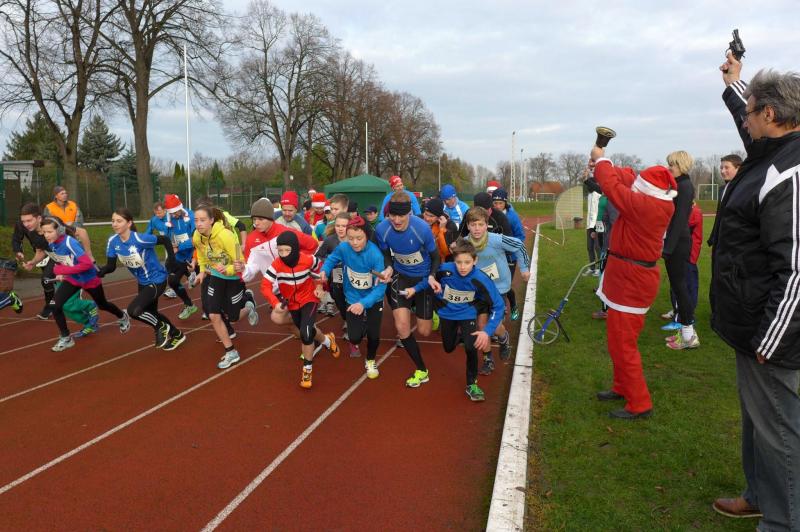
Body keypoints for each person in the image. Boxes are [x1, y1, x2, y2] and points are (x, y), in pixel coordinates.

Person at [709, 55, 800, 528]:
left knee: (780, 430)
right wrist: (734, 85)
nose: (743, 121)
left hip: (772, 333)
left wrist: (771, 338)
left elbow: (797, 269)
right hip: (751, 323)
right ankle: (760, 495)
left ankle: (784, 522)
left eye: (749, 112)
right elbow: (751, 128)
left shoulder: (790, 171)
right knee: (758, 420)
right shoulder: (772, 153)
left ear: (770, 114)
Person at [590, 147, 675, 420]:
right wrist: (602, 166)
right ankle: (621, 386)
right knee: (616, 340)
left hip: (632, 281)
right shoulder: (652, 198)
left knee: (623, 345)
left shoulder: (646, 206)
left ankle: (640, 403)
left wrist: (601, 160)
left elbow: (614, 187)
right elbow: (627, 178)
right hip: (626, 276)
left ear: (647, 190)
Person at [374, 191, 440, 388]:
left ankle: (431, 312)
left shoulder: (422, 228)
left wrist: (432, 275)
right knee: (402, 327)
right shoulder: (382, 229)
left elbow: (435, 257)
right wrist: (388, 267)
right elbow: (386, 254)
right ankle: (421, 370)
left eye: (401, 216)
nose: (396, 220)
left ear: (409, 213)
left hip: (423, 278)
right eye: (392, 215)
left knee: (424, 331)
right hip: (401, 277)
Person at [97, 208, 186, 350]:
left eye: (119, 221)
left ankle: (160, 326)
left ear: (129, 223)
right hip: (142, 282)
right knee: (152, 313)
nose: (115, 224)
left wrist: (172, 260)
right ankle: (177, 334)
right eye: (113, 221)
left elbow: (165, 240)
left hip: (157, 279)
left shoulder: (140, 239)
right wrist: (101, 272)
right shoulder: (113, 241)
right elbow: (111, 266)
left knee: (134, 310)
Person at [39, 216, 130, 351]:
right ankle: (66, 338)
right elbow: (64, 261)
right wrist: (61, 272)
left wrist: (63, 270)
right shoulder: (52, 244)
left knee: (102, 304)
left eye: (49, 232)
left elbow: (87, 264)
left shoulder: (70, 242)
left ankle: (122, 316)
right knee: (54, 306)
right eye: (44, 232)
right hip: (73, 279)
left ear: (60, 230)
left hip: (89, 279)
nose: (46, 235)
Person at [264, 231, 340, 388]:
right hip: (291, 303)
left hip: (309, 299)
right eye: (280, 250)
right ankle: (327, 340)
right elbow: (265, 285)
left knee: (305, 334)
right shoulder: (276, 264)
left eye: (287, 250)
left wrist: (319, 286)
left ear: (295, 248)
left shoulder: (308, 259)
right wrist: (274, 302)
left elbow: (320, 271)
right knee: (307, 330)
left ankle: (307, 371)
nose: (284, 254)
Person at [432, 239, 506, 401]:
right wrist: (432, 286)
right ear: (454, 260)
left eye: (467, 262)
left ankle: (471, 384)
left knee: (470, 348)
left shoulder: (481, 279)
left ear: (475, 261)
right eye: (459, 262)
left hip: (468, 314)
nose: (463, 267)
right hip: (447, 314)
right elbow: (430, 279)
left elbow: (499, 305)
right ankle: (463, 337)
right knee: (448, 347)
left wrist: (486, 332)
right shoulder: (444, 270)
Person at [463, 206, 530, 374]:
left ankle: (503, 338)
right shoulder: (464, 243)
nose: (477, 228)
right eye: (473, 225)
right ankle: (488, 359)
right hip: (479, 289)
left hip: (499, 287)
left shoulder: (497, 240)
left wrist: (524, 269)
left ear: (487, 225)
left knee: (494, 326)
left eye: (480, 224)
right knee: (482, 324)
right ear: (468, 226)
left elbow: (519, 246)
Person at [192, 206, 258, 369]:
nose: (198, 224)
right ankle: (231, 351)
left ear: (211, 220)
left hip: (233, 278)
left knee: (233, 317)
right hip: (216, 276)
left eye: (202, 220)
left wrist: (228, 269)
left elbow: (241, 263)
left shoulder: (226, 236)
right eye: (196, 220)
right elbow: (201, 254)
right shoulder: (197, 236)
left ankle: (249, 304)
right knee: (213, 314)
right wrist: (202, 271)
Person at [319, 215, 386, 369]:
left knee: (373, 335)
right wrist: (325, 270)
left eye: (359, 238)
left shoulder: (375, 255)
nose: (354, 242)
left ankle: (370, 360)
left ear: (367, 236)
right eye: (350, 238)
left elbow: (380, 287)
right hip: (353, 296)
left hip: (373, 298)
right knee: (354, 338)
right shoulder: (344, 248)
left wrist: (363, 304)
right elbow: (332, 258)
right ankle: (362, 325)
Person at [662, 150, 698, 350]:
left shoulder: (684, 186)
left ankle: (689, 336)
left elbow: (679, 220)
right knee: (678, 287)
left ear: (681, 165)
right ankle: (686, 332)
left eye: (672, 164)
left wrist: (668, 248)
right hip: (675, 242)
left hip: (678, 243)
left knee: (680, 287)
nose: (669, 168)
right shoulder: (678, 184)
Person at [664, 202, 703, 337]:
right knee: (680, 286)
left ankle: (682, 319)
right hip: (683, 254)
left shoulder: (693, 212)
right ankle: (680, 314)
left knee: (683, 288)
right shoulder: (689, 210)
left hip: (687, 256)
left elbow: (680, 226)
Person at [14, 203, 57, 319]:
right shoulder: (31, 231)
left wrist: (88, 255)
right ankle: (51, 306)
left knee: (49, 279)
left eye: (29, 220)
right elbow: (40, 250)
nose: (26, 224)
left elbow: (80, 232)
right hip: (49, 254)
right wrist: (31, 261)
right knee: (47, 280)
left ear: (39, 218)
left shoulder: (53, 223)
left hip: (66, 254)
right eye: (23, 221)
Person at [491, 188, 528, 320]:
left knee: (505, 285)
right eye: (495, 203)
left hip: (509, 257)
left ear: (505, 203)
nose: (497, 206)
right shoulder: (490, 215)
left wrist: (508, 247)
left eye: (500, 203)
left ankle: (512, 305)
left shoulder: (512, 217)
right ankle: (499, 307)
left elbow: (521, 236)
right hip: (494, 257)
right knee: (493, 283)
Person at [162, 194, 199, 320]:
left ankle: (215, 307)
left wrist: (179, 246)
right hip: (180, 257)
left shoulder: (192, 216)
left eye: (175, 212)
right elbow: (168, 236)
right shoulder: (169, 219)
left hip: (195, 256)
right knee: (172, 281)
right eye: (171, 213)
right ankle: (189, 305)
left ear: (180, 208)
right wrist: (170, 243)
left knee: (207, 283)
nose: (173, 215)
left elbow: (195, 239)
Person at [42, 186, 94, 262]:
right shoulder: (49, 208)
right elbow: (48, 224)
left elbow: (80, 222)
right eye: (62, 193)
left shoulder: (73, 205)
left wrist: (71, 224)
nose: (65, 195)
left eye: (65, 193)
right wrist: (65, 225)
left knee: (80, 255)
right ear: (56, 196)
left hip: (74, 233)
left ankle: (88, 261)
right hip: (58, 235)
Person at [316, 213, 350, 321]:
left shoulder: (355, 239)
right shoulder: (330, 240)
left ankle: (353, 320)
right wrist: (330, 262)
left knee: (352, 298)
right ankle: (346, 319)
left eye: (344, 226)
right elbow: (318, 256)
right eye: (338, 225)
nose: (340, 229)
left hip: (352, 274)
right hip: (336, 274)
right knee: (338, 298)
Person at [422, 197, 459, 263]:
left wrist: (442, 230)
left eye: (431, 216)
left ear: (439, 217)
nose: (427, 218)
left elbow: (446, 252)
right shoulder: (419, 220)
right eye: (426, 214)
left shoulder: (450, 225)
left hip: (442, 262)